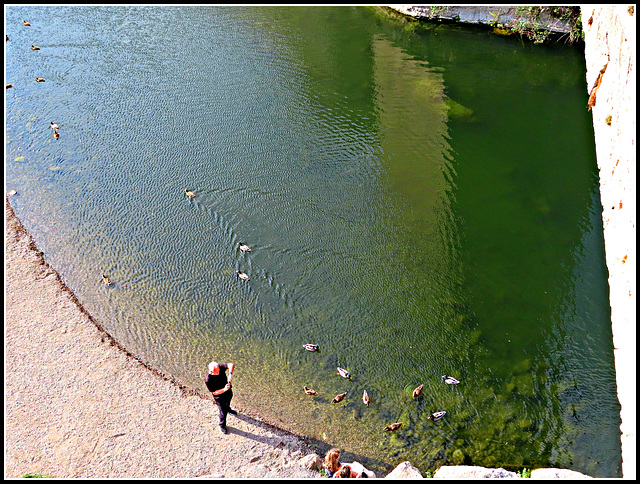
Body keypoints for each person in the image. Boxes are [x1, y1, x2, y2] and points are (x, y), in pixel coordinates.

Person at [205, 361, 237, 434]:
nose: (219, 372)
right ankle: (222, 425)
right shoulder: (208, 379)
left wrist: (230, 375)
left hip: (227, 391)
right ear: (211, 372)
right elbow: (214, 392)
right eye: (217, 372)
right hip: (219, 397)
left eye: (219, 370)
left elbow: (231, 365)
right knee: (223, 412)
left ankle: (229, 409)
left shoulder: (219, 367)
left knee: (229, 398)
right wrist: (224, 389)